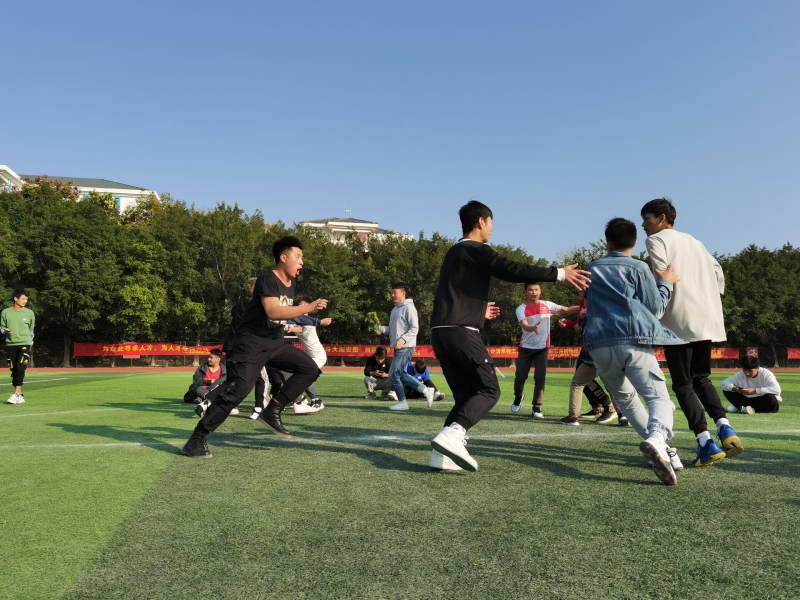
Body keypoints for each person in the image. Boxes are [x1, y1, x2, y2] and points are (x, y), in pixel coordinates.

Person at [428, 200, 590, 472]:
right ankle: (453, 434)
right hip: (461, 333)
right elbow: (511, 269)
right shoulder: (475, 249)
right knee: (490, 390)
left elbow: (454, 295)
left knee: (467, 395)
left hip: (440, 332)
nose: (492, 229)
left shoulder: (454, 253)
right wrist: (560, 273)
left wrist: (478, 312)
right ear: (481, 221)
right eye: (491, 223)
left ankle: (441, 455)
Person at [181, 236, 328, 458]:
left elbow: (283, 315)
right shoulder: (267, 279)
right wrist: (307, 308)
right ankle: (196, 438)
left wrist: (309, 317)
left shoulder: (292, 284)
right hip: (250, 344)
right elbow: (273, 311)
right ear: (283, 258)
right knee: (238, 391)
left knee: (309, 369)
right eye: (298, 257)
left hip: (274, 342)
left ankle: (272, 411)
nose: (302, 262)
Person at [641, 198, 742, 467]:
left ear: (662, 218)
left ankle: (705, 441)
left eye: (647, 219)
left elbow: (662, 273)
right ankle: (724, 426)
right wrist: (709, 296)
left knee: (683, 383)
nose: (643, 225)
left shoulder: (655, 240)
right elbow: (718, 271)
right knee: (701, 377)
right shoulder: (695, 241)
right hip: (706, 317)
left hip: (679, 320)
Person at [584, 218, 685, 485]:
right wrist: (666, 282)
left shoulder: (592, 268)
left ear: (608, 243)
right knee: (659, 399)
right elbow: (656, 309)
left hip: (599, 344)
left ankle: (665, 451)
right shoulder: (638, 267)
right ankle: (658, 439)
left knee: (626, 400)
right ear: (635, 242)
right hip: (633, 340)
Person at [512, 283, 578, 418]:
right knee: (520, 377)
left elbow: (566, 309)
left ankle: (536, 406)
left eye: (536, 290)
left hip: (542, 349)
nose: (534, 292)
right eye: (530, 290)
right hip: (525, 349)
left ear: (540, 291)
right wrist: (531, 328)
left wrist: (585, 306)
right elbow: (524, 324)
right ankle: (518, 397)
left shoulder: (547, 305)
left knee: (540, 378)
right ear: (525, 292)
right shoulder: (521, 309)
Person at [557, 292, 624, 426]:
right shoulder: (610, 312)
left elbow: (582, 328)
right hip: (610, 354)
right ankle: (622, 415)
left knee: (577, 383)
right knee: (612, 384)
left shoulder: (587, 314)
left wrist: (577, 325)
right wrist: (572, 324)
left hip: (592, 355)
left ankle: (573, 417)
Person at [374, 282, 435, 410]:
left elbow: (414, 328)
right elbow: (392, 329)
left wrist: (402, 340)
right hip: (398, 348)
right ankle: (426, 390)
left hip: (405, 347)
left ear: (403, 293)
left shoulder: (409, 308)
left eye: (394, 292)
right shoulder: (394, 310)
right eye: (392, 292)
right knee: (401, 375)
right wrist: (382, 329)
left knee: (393, 376)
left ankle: (403, 402)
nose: (392, 295)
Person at [2, 289, 35, 405]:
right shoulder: (5, 312)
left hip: (25, 343)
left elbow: (31, 329)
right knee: (14, 369)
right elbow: (2, 327)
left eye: (26, 299)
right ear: (15, 299)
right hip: (11, 344)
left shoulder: (29, 313)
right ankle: (20, 395)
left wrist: (30, 343)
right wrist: (5, 331)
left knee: (20, 367)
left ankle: (16, 393)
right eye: (23, 299)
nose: (25, 301)